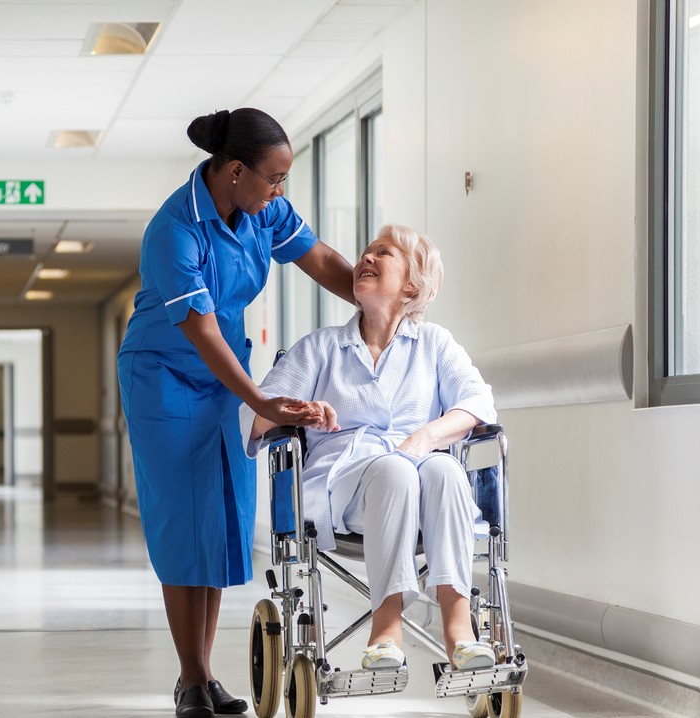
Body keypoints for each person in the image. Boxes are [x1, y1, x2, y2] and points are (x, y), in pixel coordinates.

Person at [117, 108, 355, 718]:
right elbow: (200, 330)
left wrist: (374, 293)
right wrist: (258, 399)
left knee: (220, 516)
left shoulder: (260, 210)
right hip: (165, 377)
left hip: (228, 376)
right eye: (274, 179)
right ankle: (190, 678)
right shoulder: (174, 228)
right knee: (181, 519)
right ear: (235, 171)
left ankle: (204, 675)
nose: (281, 191)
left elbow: (318, 257)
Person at [241, 224, 498, 673]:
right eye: (365, 252)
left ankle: (459, 626)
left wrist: (423, 439)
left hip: (424, 484)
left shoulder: (435, 344)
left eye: (384, 253)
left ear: (411, 286)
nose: (366, 258)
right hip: (346, 490)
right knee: (395, 471)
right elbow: (255, 417)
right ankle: (387, 627)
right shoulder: (321, 348)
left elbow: (477, 405)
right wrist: (296, 412)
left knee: (444, 471)